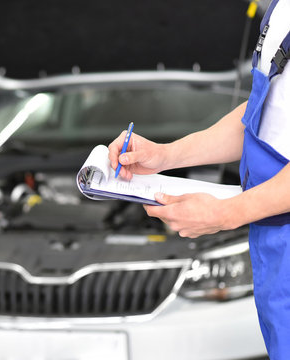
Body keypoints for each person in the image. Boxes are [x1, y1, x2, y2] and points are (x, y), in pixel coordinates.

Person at [108, 0, 290, 358]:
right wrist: (166, 156)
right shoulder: (279, 10)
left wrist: (226, 214)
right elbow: (262, 116)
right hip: (273, 245)